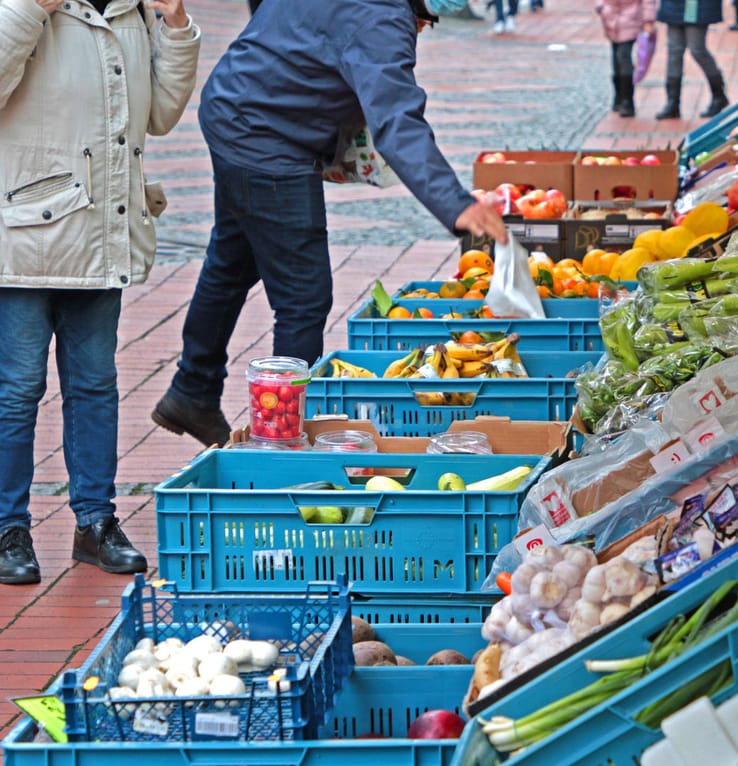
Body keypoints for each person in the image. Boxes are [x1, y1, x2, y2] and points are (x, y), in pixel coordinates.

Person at [151, 0, 508, 450]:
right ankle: (282, 439)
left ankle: (192, 390)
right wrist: (454, 203)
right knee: (303, 299)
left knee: (231, 263)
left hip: (235, 106)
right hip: (268, 139)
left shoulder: (379, 10)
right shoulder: (381, 17)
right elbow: (396, 118)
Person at [0, 0, 201, 585]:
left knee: (95, 385)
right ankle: (8, 529)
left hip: (101, 230)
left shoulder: (130, 11)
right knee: (16, 390)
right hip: (22, 234)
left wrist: (177, 23)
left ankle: (96, 523)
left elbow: (159, 114)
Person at [655, 0, 728, 119]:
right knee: (674, 52)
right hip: (673, 6)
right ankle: (672, 102)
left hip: (697, 7)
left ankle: (719, 95)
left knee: (697, 50)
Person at [596, 0, 656, 118]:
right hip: (610, 19)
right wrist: (601, 7)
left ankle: (627, 101)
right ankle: (618, 96)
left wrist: (648, 20)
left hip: (631, 19)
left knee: (623, 57)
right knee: (616, 59)